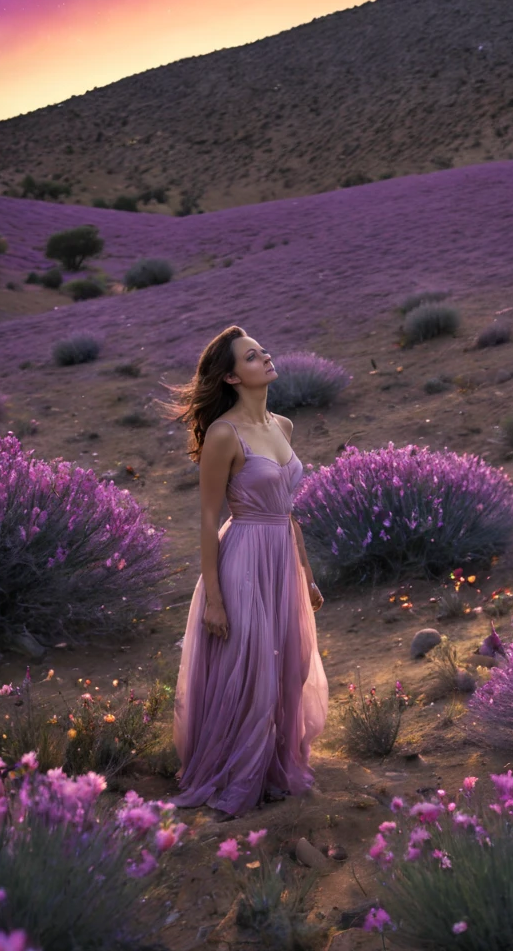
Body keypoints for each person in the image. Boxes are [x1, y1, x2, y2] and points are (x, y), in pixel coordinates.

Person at [165, 325, 329, 819]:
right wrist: (214, 598)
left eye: (263, 351)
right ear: (233, 377)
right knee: (249, 669)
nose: (266, 358)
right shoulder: (223, 434)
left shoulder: (283, 425)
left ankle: (271, 768)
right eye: (253, 356)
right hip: (242, 561)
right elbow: (210, 519)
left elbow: (288, 509)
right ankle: (237, 775)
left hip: (281, 559)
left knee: (287, 668)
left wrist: (308, 571)